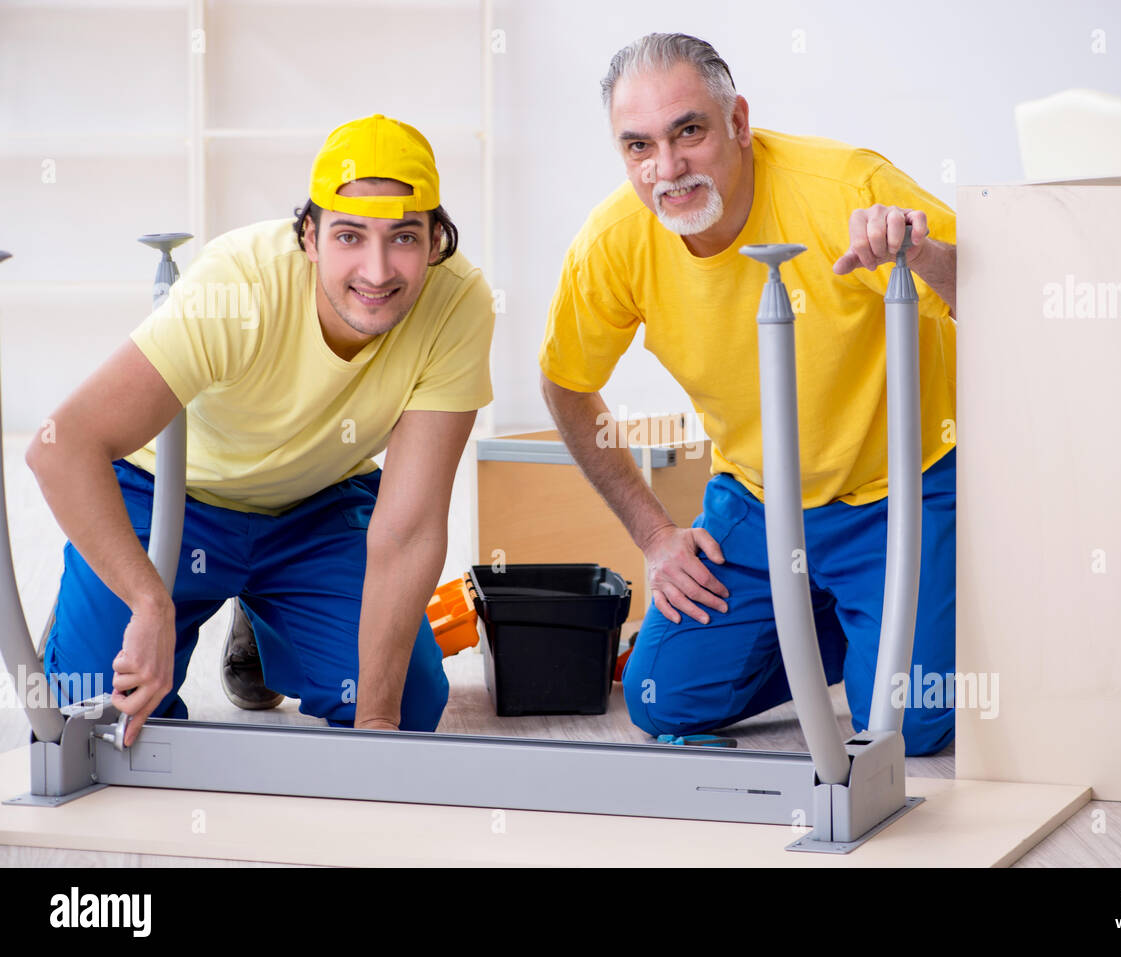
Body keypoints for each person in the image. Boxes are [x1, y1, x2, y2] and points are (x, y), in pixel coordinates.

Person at [539, 34, 958, 754]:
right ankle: (841, 622)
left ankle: (883, 618)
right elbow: (565, 385)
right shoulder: (615, 240)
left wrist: (917, 254)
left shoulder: (849, 189)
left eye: (689, 132)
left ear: (737, 122)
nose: (666, 169)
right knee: (658, 699)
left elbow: (995, 299)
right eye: (638, 147)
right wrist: (654, 534)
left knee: (905, 726)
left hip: (904, 489)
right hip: (760, 499)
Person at [29, 114, 494, 747]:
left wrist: (379, 731)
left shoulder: (459, 300)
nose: (378, 271)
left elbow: (408, 527)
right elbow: (62, 446)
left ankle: (263, 613)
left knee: (402, 710)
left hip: (316, 510)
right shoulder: (239, 285)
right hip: (165, 500)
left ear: (437, 238)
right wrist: (146, 600)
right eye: (350, 236)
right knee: (99, 724)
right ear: (309, 235)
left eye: (405, 238)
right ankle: (111, 595)